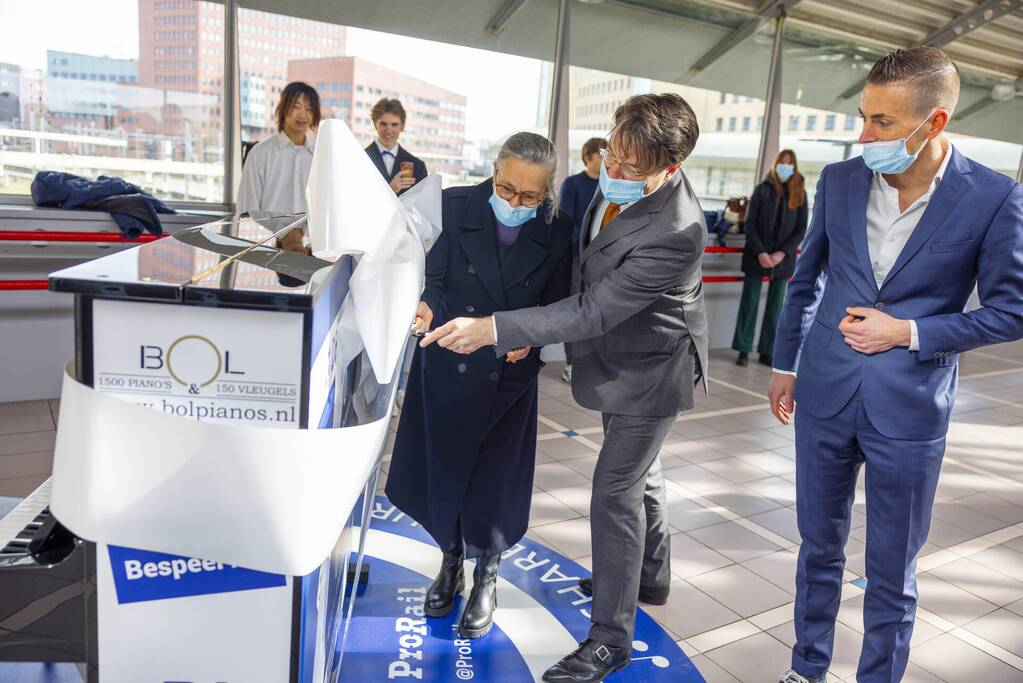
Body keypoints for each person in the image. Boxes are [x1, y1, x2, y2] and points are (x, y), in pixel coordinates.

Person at [420, 94, 709, 683]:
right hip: (614, 358)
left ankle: (610, 640)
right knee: (645, 473)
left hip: (653, 370)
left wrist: (497, 329)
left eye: (630, 165)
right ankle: (650, 575)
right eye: (612, 154)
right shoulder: (617, 179)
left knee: (615, 491)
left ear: (669, 168)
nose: (613, 169)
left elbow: (595, 308)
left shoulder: (678, 230)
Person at [769, 47, 1023, 683]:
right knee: (818, 548)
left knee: (891, 568)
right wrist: (785, 365)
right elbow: (807, 280)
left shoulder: (994, 197)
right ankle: (806, 668)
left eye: (882, 122)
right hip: (824, 393)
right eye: (864, 116)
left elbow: (1011, 311)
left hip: (910, 408)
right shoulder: (840, 180)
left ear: (933, 123)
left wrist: (908, 332)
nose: (865, 135)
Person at [384, 132, 572, 641]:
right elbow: (434, 278)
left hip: (507, 376)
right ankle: (450, 563)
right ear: (494, 173)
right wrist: (424, 305)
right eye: (506, 189)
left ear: (547, 192)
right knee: (445, 472)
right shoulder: (453, 206)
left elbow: (556, 306)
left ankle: (487, 573)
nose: (514, 202)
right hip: (449, 361)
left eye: (529, 196)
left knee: (494, 481)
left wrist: (530, 338)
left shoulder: (559, 231)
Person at [732, 149, 808, 367]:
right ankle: (743, 349)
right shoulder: (762, 189)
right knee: (750, 304)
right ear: (776, 164)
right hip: (756, 255)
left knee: (776, 308)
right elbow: (750, 224)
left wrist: (782, 253)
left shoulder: (799, 193)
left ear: (794, 167)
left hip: (783, 259)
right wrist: (761, 253)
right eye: (782, 162)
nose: (785, 167)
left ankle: (767, 351)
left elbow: (801, 228)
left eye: (789, 163)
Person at [557, 137, 607, 383]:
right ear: (588, 157)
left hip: (603, 259)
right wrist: (588, 244)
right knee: (576, 309)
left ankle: (592, 363)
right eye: (601, 155)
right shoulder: (573, 184)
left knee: (599, 309)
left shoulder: (609, 186)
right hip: (577, 258)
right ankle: (571, 363)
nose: (605, 160)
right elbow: (565, 221)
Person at [237, 81, 320, 216]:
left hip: (308, 231)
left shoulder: (318, 158)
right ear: (283, 108)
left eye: (309, 109)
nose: (303, 114)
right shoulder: (260, 153)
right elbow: (246, 209)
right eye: (296, 106)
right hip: (265, 230)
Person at [364, 98, 428, 195]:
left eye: (394, 125)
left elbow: (423, 202)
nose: (388, 130)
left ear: (402, 126)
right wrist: (390, 190)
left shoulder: (418, 167)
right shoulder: (360, 160)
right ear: (375, 124)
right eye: (383, 124)